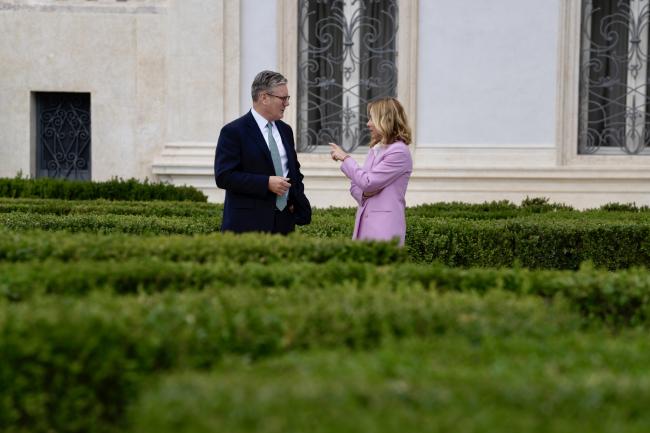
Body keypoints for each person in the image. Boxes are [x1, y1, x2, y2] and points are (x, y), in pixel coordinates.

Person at [214, 70, 311, 234]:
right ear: (264, 98)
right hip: (247, 227)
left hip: (284, 225)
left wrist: (297, 201)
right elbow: (224, 177)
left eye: (287, 98)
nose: (287, 103)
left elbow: (294, 172)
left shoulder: (285, 130)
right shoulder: (233, 131)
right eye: (283, 98)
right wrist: (266, 183)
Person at [329, 97, 413, 245]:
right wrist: (365, 192)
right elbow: (357, 185)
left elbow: (367, 182)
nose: (368, 124)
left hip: (385, 229)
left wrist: (346, 158)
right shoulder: (376, 149)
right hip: (364, 226)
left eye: (372, 119)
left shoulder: (399, 152)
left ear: (385, 120)